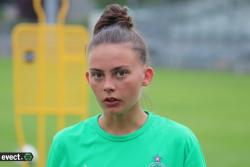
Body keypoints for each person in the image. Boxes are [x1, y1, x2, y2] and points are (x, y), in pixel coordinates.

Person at [47, 4, 206, 167]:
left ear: (146, 75)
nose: (108, 85)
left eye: (120, 73)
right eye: (98, 75)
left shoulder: (180, 143)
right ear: (88, 79)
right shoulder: (65, 144)